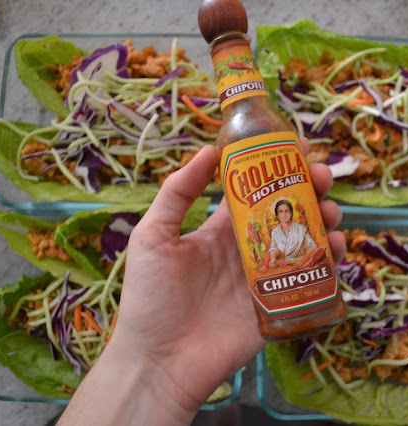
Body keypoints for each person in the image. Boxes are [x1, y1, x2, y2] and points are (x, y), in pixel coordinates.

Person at [57, 139, 345, 425]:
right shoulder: (274, 233)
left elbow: (310, 244)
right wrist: (149, 361)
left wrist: (151, 369)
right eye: (279, 211)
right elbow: (271, 250)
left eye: (286, 211)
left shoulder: (299, 228)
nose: (283, 214)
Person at [268, 199, 317, 266]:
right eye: (281, 212)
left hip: (302, 263)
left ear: (291, 213)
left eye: (287, 211)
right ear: (277, 215)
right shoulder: (275, 232)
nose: (284, 214)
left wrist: (302, 261)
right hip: (285, 265)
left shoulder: (301, 229)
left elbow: (312, 247)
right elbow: (274, 248)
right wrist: (272, 259)